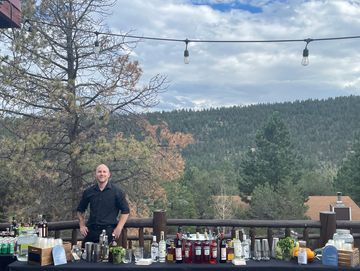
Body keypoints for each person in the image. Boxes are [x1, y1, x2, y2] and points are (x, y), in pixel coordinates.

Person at [77, 164, 130, 245]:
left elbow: (125, 211)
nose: (102, 174)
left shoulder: (117, 192)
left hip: (109, 232)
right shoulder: (88, 192)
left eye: (104, 172)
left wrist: (119, 227)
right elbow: (80, 210)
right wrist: (82, 225)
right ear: (95, 174)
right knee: (86, 255)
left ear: (108, 175)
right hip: (91, 231)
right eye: (99, 172)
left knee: (107, 256)